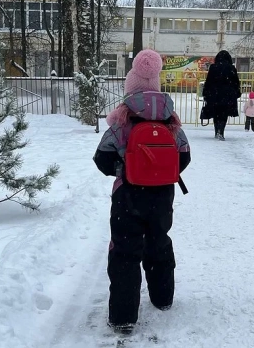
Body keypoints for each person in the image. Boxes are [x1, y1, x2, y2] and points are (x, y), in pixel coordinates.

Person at [93, 49, 191, 335]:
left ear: (131, 87)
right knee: (159, 242)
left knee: (125, 251)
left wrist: (125, 170)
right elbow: (184, 156)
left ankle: (123, 317)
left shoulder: (122, 119)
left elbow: (102, 158)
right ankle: (163, 298)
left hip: (128, 195)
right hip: (162, 196)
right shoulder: (170, 119)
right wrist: (161, 173)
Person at [201, 50, 241, 140]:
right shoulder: (231, 68)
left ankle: (216, 132)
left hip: (214, 95)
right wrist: (237, 93)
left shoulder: (213, 67)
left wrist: (206, 93)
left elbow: (209, 81)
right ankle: (221, 132)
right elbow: (236, 82)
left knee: (216, 114)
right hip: (227, 96)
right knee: (224, 114)